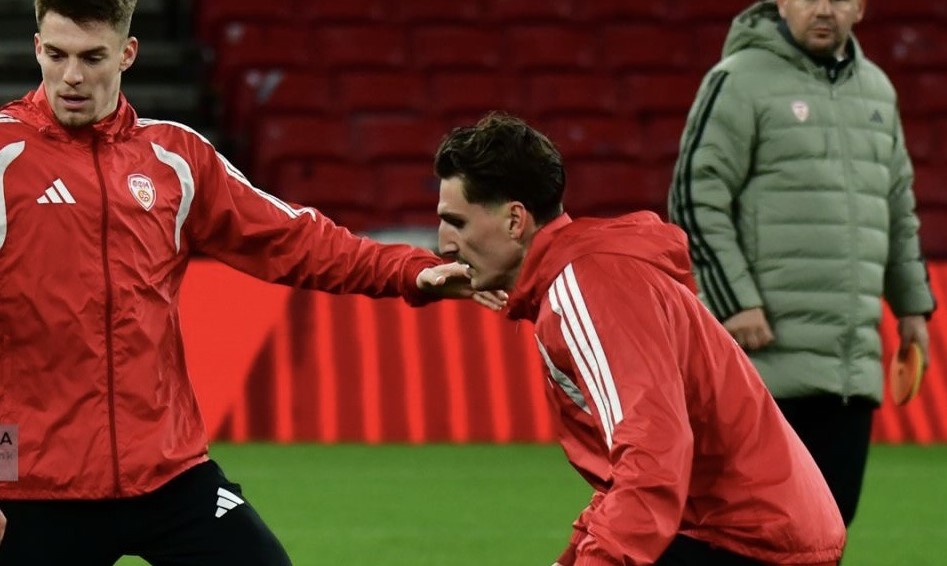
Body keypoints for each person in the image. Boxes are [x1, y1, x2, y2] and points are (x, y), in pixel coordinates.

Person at [0, 1, 504, 564]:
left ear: (127, 53)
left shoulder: (176, 157)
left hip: (166, 472)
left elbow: (295, 239)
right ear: (37, 48)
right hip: (33, 485)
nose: (72, 76)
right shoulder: (5, 154)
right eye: (57, 54)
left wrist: (409, 270)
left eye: (92, 57)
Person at [433, 112, 846, 565]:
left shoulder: (585, 288)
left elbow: (652, 458)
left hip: (739, 539)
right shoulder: (591, 273)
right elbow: (628, 466)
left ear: (515, 220)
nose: (444, 244)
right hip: (748, 530)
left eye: (457, 222)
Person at [667, 0, 936, 531]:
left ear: (860, 9)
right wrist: (734, 303)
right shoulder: (737, 80)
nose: (824, 10)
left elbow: (897, 208)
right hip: (758, 365)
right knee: (744, 536)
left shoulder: (878, 90)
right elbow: (694, 197)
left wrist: (911, 307)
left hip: (848, 369)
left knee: (827, 532)